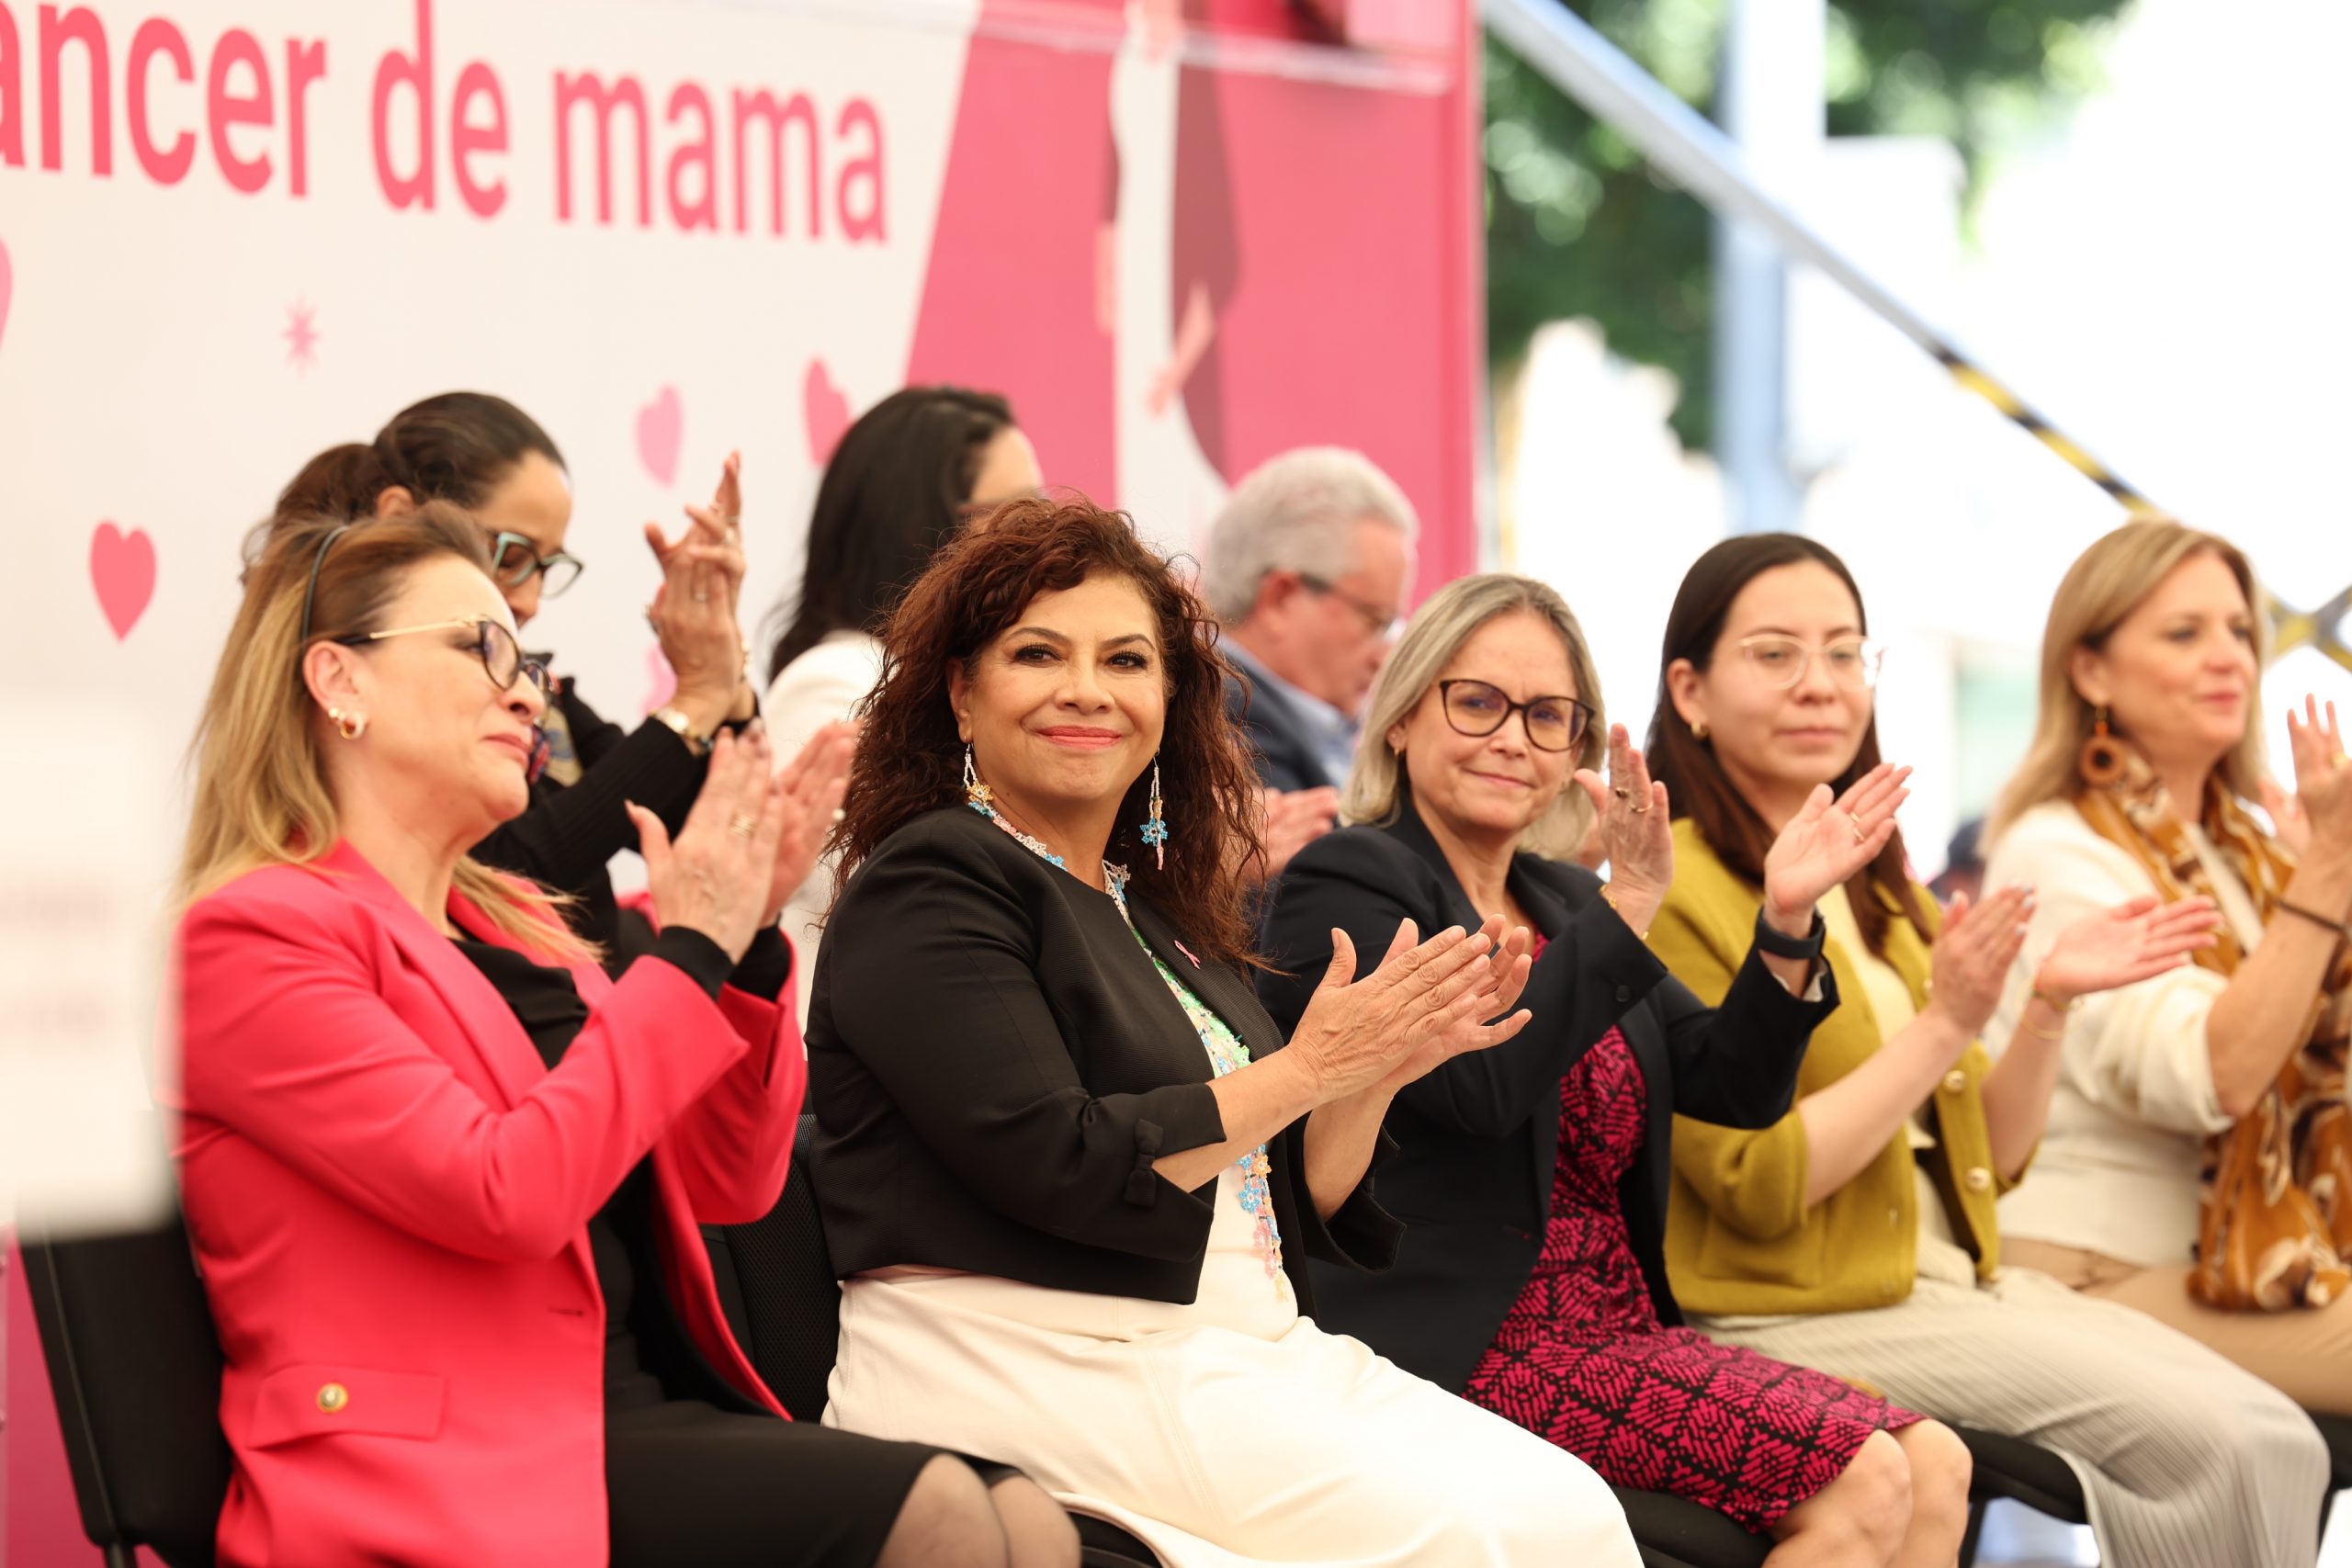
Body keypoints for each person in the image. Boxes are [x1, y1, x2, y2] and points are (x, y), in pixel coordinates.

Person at [171, 504, 1073, 1567]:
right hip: (446, 1457)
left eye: (526, 655)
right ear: (339, 682)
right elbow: (506, 1193)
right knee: (945, 1515)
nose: (527, 689)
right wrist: (687, 948)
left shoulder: (516, 927)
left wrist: (739, 950)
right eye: (478, 647)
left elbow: (726, 1181)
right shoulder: (249, 934)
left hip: (607, 1409)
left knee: (1025, 1514)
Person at [808, 497, 1641, 1566]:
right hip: (1036, 1354)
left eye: (1124, 661)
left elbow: (1286, 1198)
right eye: (1037, 654)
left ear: (1167, 698)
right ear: (962, 693)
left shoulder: (1141, 905)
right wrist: (1309, 1067)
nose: (1085, 691)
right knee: (1474, 1538)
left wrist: (1375, 1072)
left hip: (1232, 1342)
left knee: (1570, 1512)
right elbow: (1062, 1161)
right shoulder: (935, 879)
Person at [1261, 573, 1978, 1564]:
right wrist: (1629, 904)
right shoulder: (1348, 878)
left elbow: (1733, 1090)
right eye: (1477, 703)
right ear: (1400, 719)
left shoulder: (1562, 898)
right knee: (1869, 1476)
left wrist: (1786, 923)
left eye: (1547, 718)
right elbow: (1475, 1093)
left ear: (1573, 751)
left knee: (1935, 1460)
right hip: (1471, 1337)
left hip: (1617, 1324)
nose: (1512, 739)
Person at [1644, 532, 2328, 1568]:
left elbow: (1993, 1162)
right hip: (1791, 1309)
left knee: (2274, 1435)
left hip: (1953, 1281)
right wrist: (1948, 1023)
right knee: (2226, 1441)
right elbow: (1755, 1184)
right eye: (1775, 655)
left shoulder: (1883, 890)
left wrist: (2042, 1002)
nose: (1820, 685)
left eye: (1844, 654)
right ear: (1688, 691)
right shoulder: (1674, 888)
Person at [1984, 518, 2352, 1418]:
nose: (2228, 657)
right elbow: (2215, 1074)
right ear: (2091, 670)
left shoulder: (2249, 855)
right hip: (2091, 1270)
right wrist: (2324, 882)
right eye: (2184, 633)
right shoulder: (2054, 851)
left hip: (2234, 1263)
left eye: (2238, 631)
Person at [276, 391, 761, 970]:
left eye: (546, 566)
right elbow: (501, 869)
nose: (529, 600)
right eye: (509, 555)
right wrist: (696, 701)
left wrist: (724, 673)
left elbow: (686, 835)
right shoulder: (342, 694)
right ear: (401, 517)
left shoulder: (539, 693)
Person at [762, 386, 1043, 1013]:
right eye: (1018, 514)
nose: (1043, 539)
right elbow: (912, 882)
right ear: (923, 524)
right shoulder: (835, 682)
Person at [1199, 446, 1415, 796]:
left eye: (1392, 626)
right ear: (1280, 599)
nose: (1384, 657)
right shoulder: (1226, 731)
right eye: (1373, 620)